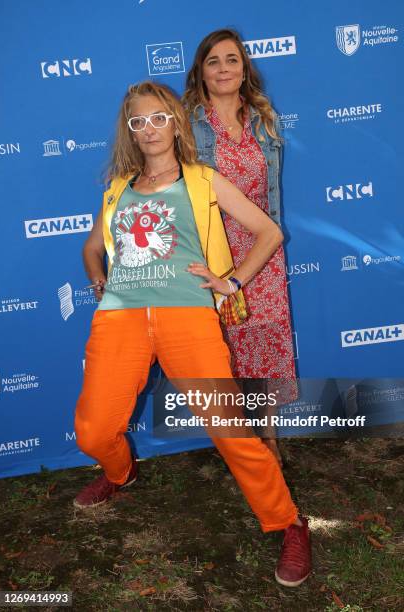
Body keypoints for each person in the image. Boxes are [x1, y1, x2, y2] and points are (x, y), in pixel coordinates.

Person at [73, 81, 311, 587]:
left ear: (175, 123)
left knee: (231, 431)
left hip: (188, 315)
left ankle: (289, 522)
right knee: (94, 430)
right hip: (120, 317)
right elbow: (93, 246)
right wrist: (98, 277)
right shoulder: (117, 187)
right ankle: (120, 474)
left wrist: (231, 283)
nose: (150, 129)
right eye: (139, 122)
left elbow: (268, 232)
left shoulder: (203, 179)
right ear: (130, 132)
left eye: (159, 117)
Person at [183, 29, 298, 466]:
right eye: (214, 61)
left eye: (233, 59)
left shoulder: (264, 120)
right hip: (215, 252)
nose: (224, 68)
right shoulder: (188, 125)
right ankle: (239, 447)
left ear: (244, 68)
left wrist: (268, 242)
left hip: (263, 251)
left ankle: (266, 443)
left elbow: (270, 197)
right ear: (201, 71)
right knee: (224, 349)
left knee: (263, 347)